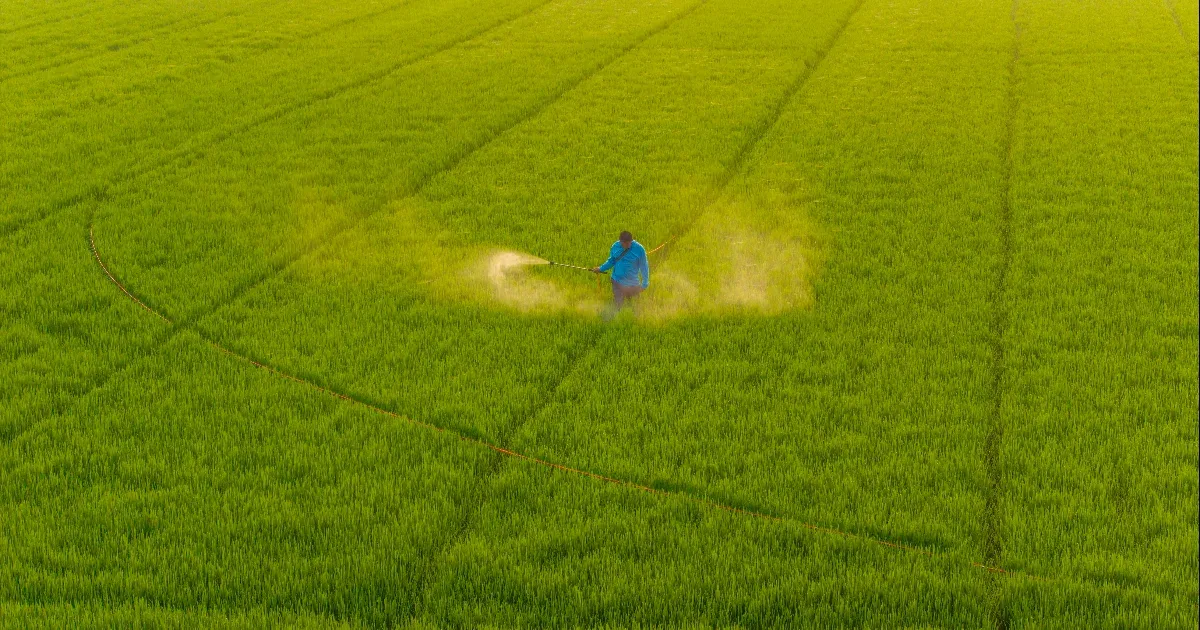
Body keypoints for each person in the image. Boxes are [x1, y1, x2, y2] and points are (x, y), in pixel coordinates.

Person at [592, 231, 649, 316]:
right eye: (624, 243)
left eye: (628, 243)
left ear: (631, 241)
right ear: (620, 241)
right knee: (618, 304)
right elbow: (611, 261)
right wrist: (600, 268)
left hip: (632, 283)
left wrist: (644, 284)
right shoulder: (615, 246)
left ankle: (636, 321)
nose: (626, 245)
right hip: (617, 281)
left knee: (635, 306)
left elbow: (644, 267)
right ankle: (615, 319)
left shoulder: (639, 249)